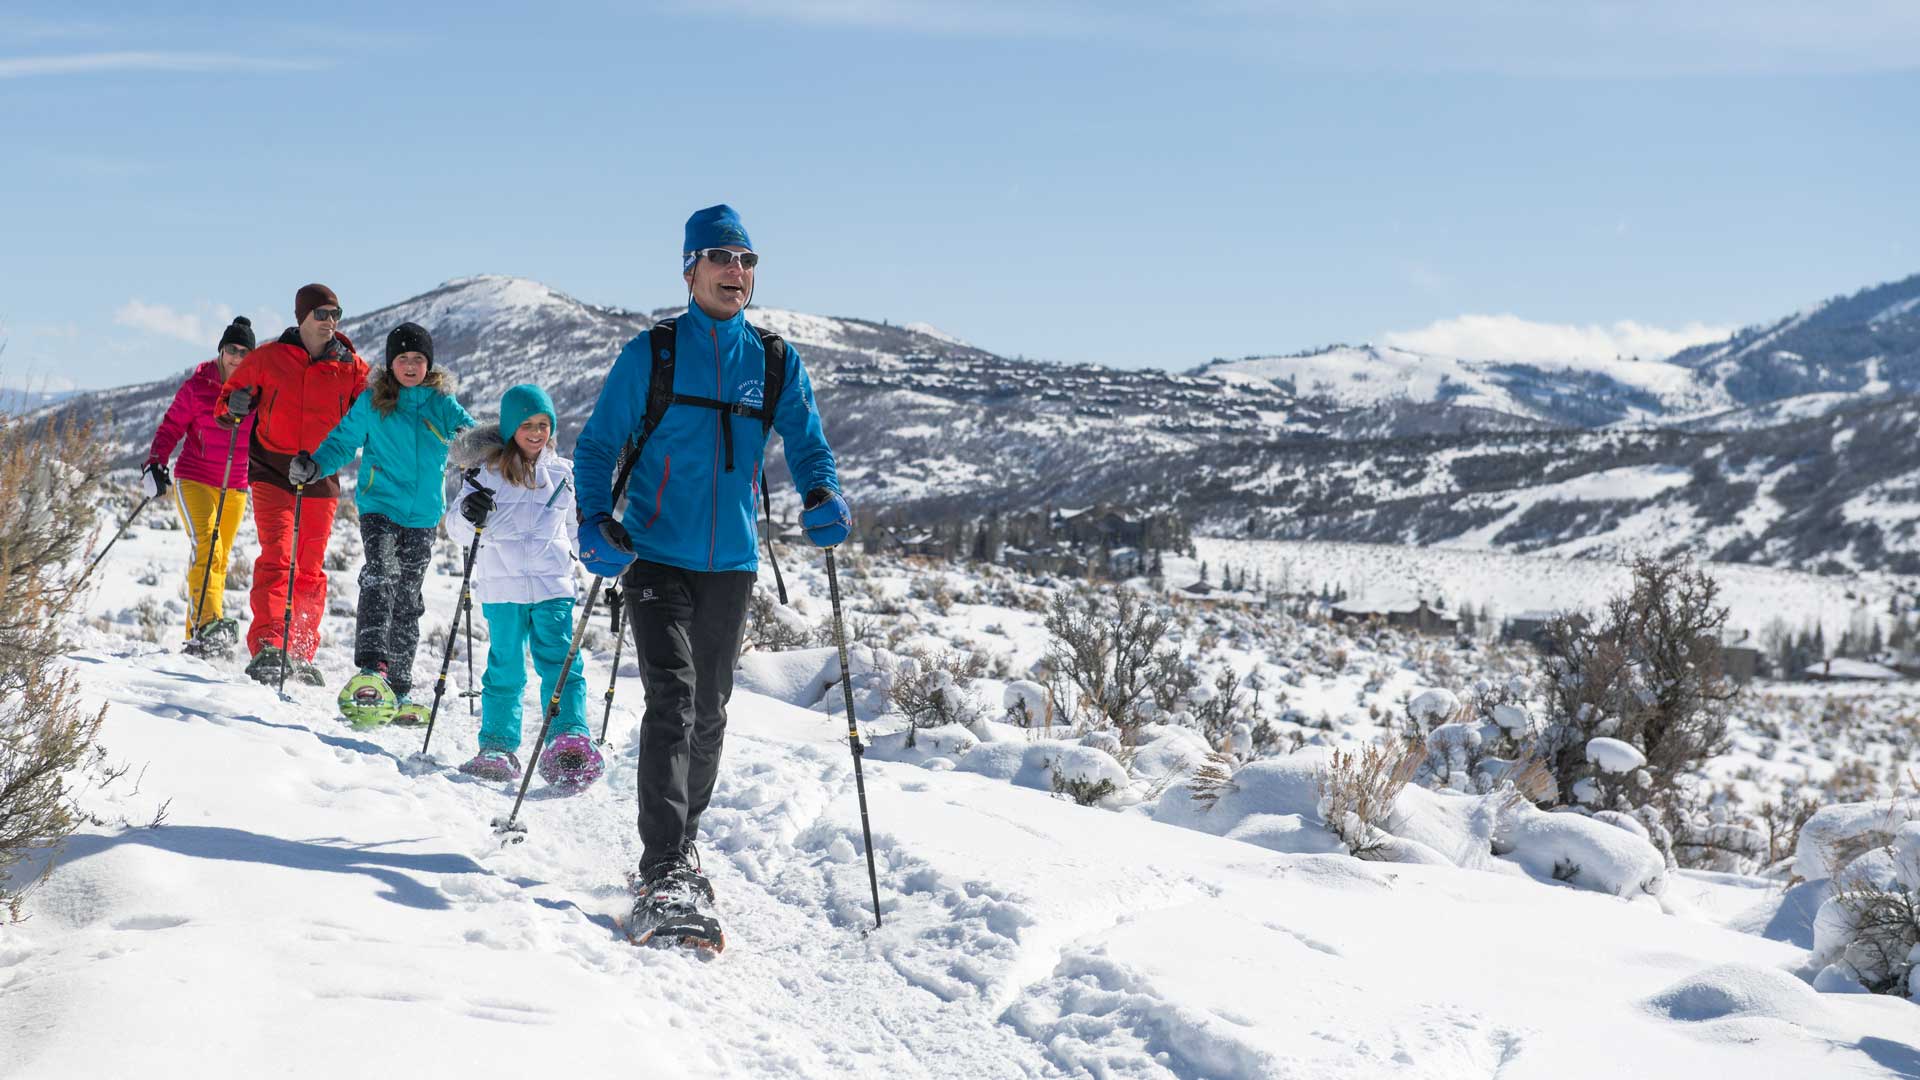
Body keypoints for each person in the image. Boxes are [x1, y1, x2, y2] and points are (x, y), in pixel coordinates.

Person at [573, 204, 851, 933]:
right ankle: (662, 864)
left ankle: (682, 845)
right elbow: (600, 447)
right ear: (691, 269)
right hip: (653, 553)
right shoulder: (653, 354)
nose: (737, 271)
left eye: (748, 260)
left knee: (710, 712)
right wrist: (595, 520)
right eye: (722, 257)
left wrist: (822, 493)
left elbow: (808, 443)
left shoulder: (776, 360)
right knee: (673, 699)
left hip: (732, 561)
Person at [297, 322, 475, 726]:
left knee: (409, 597)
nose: (410, 366)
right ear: (390, 363)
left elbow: (471, 440)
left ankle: (398, 684)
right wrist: (314, 465)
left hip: (425, 514)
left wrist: (498, 453)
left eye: (417, 359)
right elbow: (343, 441)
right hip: (380, 505)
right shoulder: (374, 401)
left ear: (428, 364)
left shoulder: (441, 403)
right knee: (381, 574)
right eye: (402, 359)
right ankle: (371, 670)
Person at [445, 384, 602, 788]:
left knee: (563, 664)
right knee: (505, 669)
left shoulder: (564, 474)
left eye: (544, 425)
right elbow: (458, 532)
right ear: (511, 428)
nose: (536, 433)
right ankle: (497, 745)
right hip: (502, 591)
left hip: (553, 586)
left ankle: (570, 735)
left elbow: (578, 532)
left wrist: (604, 557)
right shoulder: (484, 474)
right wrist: (468, 512)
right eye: (527, 425)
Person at [216, 284, 370, 686]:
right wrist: (234, 406)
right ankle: (269, 644)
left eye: (335, 313)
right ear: (302, 317)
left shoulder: (352, 367)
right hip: (272, 468)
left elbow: (377, 407)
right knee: (279, 554)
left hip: (321, 472)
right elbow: (231, 398)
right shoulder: (268, 357)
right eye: (321, 314)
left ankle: (299, 648)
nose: (330, 322)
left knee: (310, 565)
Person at [143, 316, 258, 657]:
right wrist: (155, 461)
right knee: (207, 544)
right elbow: (170, 427)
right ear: (221, 351)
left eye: (244, 352)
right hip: (194, 478)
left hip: (234, 486)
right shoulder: (197, 386)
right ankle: (210, 623)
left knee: (219, 558)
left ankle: (199, 634)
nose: (237, 357)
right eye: (231, 350)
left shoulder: (257, 392)